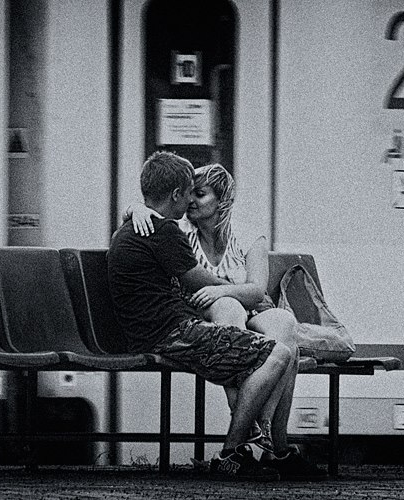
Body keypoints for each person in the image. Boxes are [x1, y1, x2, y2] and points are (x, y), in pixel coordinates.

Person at [108, 151, 322, 480]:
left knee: (282, 336)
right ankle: (236, 450)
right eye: (188, 193)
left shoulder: (144, 229)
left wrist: (136, 209)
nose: (190, 202)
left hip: (167, 329)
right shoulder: (165, 231)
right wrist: (233, 291)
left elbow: (249, 290)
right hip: (174, 332)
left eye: (200, 193)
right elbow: (197, 280)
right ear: (176, 194)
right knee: (279, 353)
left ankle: (264, 445)